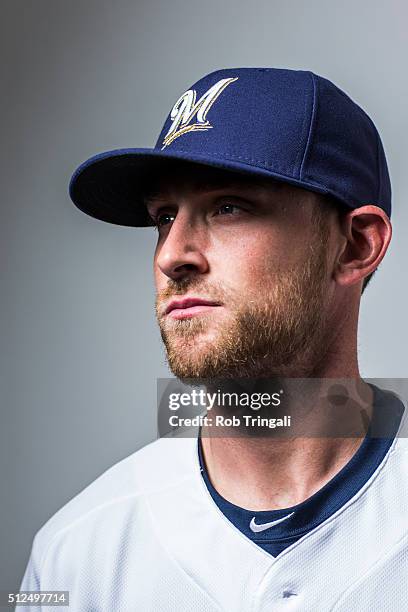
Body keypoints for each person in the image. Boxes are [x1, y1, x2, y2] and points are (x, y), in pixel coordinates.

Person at [20, 68, 408, 611]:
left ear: (355, 246)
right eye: (164, 216)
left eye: (229, 207)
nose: (171, 255)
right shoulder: (77, 555)